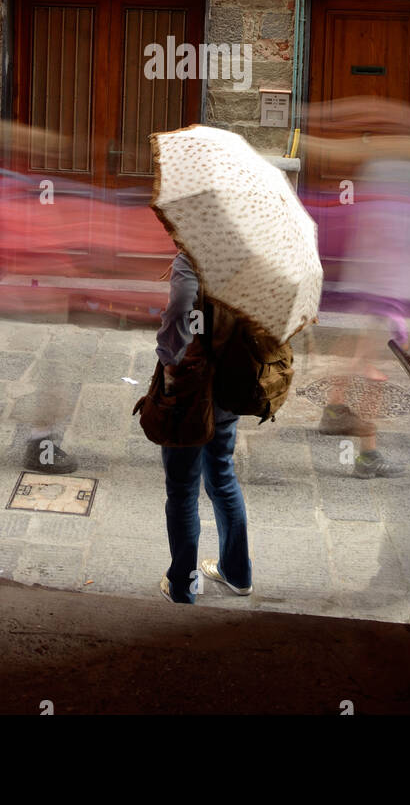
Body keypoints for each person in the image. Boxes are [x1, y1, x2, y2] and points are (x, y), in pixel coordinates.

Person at [155, 251, 253, 604]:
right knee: (222, 473)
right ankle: (237, 572)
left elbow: (181, 307)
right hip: (230, 386)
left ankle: (182, 586)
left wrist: (167, 357)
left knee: (182, 491)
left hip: (191, 390)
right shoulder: (249, 253)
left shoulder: (194, 254)